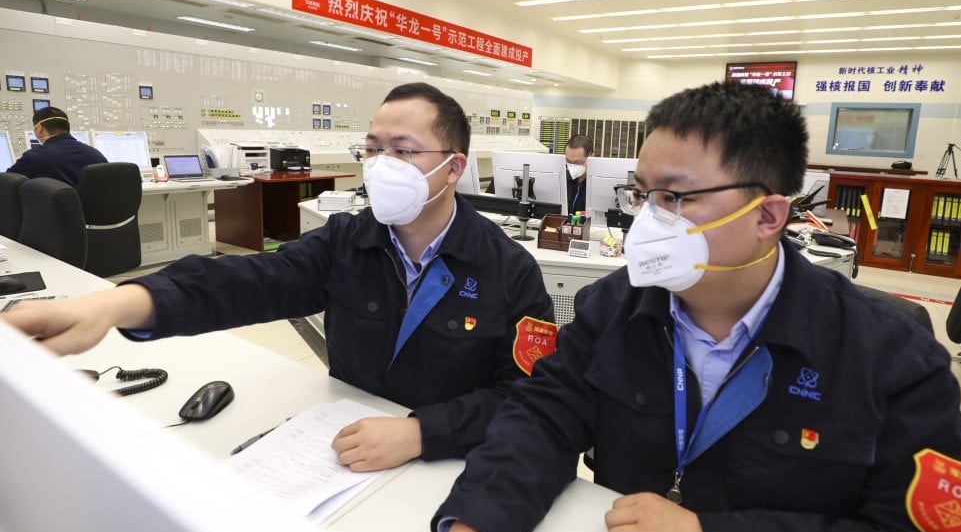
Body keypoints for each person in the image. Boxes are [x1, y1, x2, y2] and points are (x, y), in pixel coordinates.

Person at [404, 81, 961, 532]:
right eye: (644, 195)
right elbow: (539, 420)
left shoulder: (887, 357)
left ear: (769, 218)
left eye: (675, 198)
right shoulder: (614, 308)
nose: (648, 221)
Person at [3, 82, 556, 472]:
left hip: (449, 466)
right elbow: (248, 281)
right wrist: (115, 305)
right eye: (373, 150)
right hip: (343, 450)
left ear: (454, 167)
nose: (381, 165)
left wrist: (421, 433)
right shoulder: (347, 241)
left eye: (403, 151)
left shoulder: (509, 271)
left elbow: (529, 397)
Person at [6, 107, 107, 188]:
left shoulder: (34, 157)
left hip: (57, 213)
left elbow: (6, 182)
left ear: (40, 129)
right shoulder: (96, 154)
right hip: (97, 213)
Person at [564, 133, 593, 215]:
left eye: (578, 163)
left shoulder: (597, 184)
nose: (572, 166)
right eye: (568, 161)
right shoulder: (562, 179)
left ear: (591, 156)